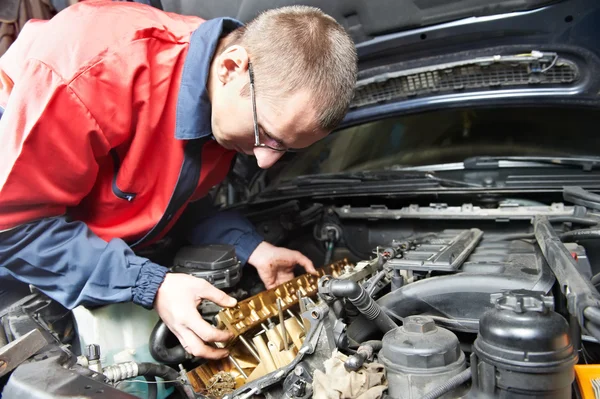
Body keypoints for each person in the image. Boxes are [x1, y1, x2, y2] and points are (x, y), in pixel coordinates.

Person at [0, 1, 357, 359]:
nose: (265, 161)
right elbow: (12, 228)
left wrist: (251, 247)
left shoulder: (229, 99)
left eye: (287, 150)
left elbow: (168, 198)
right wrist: (151, 285)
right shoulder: (94, 71)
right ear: (231, 67)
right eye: (266, 135)